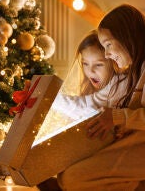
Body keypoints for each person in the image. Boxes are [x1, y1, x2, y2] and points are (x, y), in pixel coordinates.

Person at [56, 4, 145, 191]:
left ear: (127, 38)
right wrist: (46, 98)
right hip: (125, 149)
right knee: (65, 173)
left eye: (108, 45)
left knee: (73, 178)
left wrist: (116, 117)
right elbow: (88, 104)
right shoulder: (125, 77)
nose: (107, 54)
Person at [37, 30, 117, 191]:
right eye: (85, 64)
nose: (90, 71)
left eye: (98, 65)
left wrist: (47, 96)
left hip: (112, 153)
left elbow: (87, 107)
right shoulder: (92, 88)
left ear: (113, 62)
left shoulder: (115, 87)